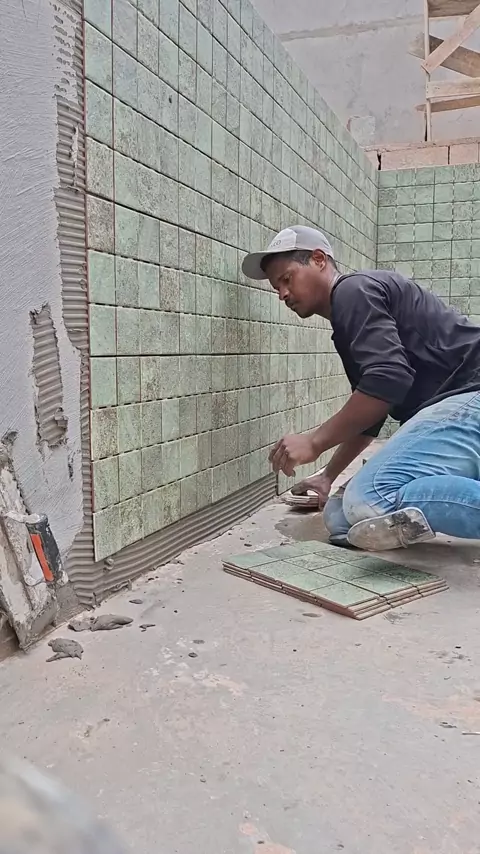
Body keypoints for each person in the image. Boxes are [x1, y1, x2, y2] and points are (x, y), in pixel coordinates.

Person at [242, 225, 480, 550]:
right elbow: (372, 414)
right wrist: (327, 476)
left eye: (287, 279)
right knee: (342, 519)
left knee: (370, 498)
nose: (282, 293)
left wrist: (314, 441)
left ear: (319, 260)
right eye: (276, 288)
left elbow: (388, 379)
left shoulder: (353, 291)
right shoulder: (347, 319)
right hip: (460, 410)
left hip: (471, 397)